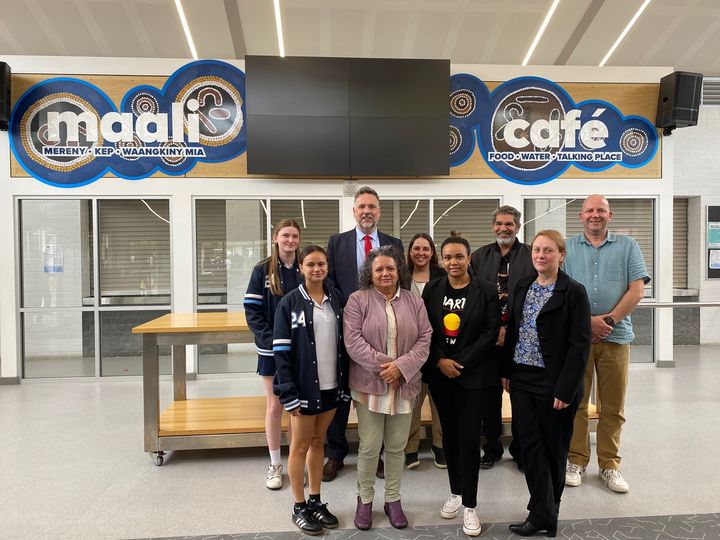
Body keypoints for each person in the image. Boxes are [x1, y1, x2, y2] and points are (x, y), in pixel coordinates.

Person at [501, 230, 591, 537]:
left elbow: (580, 346)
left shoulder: (573, 291)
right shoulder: (523, 285)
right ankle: (544, 512)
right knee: (529, 445)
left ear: (561, 256)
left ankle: (543, 513)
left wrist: (565, 390)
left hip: (555, 382)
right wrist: (506, 370)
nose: (541, 255)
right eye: (537, 250)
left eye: (548, 250)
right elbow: (512, 329)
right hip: (522, 376)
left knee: (554, 448)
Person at [563, 195, 649, 494]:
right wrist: (587, 322)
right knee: (576, 405)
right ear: (580, 216)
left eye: (600, 210)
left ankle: (609, 465)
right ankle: (575, 461)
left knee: (613, 407)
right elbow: (560, 290)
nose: (595, 215)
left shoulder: (628, 247)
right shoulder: (568, 248)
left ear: (609, 215)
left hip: (617, 338)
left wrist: (607, 321)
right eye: (589, 210)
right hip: (577, 340)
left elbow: (636, 290)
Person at [343, 245, 431, 530]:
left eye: (390, 268)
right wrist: (387, 367)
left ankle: (393, 499)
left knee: (396, 447)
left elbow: (425, 339)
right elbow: (353, 342)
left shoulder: (413, 301)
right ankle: (365, 499)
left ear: (398, 271)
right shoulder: (357, 300)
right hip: (370, 386)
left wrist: (402, 368)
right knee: (369, 447)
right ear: (370, 272)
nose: (385, 273)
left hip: (404, 386)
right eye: (379, 269)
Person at [323, 186, 404, 482]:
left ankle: (381, 454)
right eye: (361, 206)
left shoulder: (394, 244)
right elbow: (330, 283)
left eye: (372, 206)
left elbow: (399, 281)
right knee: (342, 391)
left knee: (381, 387)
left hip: (385, 331)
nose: (367, 211)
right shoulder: (337, 243)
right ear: (353, 211)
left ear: (379, 211)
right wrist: (352, 310)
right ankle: (335, 454)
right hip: (347, 328)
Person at [422, 236, 499, 537]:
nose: (453, 262)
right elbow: (424, 328)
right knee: (450, 438)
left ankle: (470, 505)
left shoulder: (486, 289)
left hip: (473, 377)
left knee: (469, 439)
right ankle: (455, 491)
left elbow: (491, 331)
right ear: (441, 260)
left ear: (469, 259)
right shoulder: (432, 289)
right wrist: (440, 360)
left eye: (458, 256)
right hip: (441, 376)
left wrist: (460, 362)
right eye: (447, 257)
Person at [272, 245, 349, 536]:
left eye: (321, 264)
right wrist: (288, 392)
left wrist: (344, 386)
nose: (317, 269)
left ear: (327, 267)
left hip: (331, 386)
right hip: (303, 389)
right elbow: (280, 352)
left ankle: (315, 500)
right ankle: (299, 505)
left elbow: (343, 346)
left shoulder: (336, 300)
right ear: (301, 268)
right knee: (300, 446)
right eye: (310, 264)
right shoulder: (289, 303)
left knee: (319, 443)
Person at [470, 205, 535, 470]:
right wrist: (493, 330)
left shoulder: (532, 255)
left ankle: (520, 449)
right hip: (488, 338)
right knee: (489, 397)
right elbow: (474, 297)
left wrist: (509, 331)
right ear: (493, 226)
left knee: (520, 395)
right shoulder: (479, 256)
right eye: (498, 223)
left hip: (522, 338)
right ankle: (493, 448)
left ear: (518, 227)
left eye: (509, 224)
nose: (503, 228)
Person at [243, 218, 302, 489]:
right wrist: (273, 341)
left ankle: (296, 461)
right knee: (276, 405)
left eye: (294, 236)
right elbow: (253, 312)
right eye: (285, 235)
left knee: (300, 407)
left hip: (302, 350)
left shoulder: (304, 267)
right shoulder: (261, 271)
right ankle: (275, 463)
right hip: (271, 351)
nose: (290, 240)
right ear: (275, 237)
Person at [403, 233, 446, 470]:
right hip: (410, 349)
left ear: (432, 252)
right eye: (416, 248)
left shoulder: (442, 276)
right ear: (410, 251)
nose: (421, 253)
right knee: (412, 403)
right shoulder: (401, 277)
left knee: (439, 401)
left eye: (426, 248)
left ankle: (440, 446)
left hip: (438, 347)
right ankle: (410, 448)